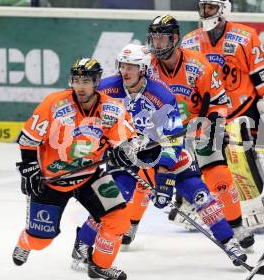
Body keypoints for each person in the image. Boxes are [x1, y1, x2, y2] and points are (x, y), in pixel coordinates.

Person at [70, 44, 248, 269]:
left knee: (198, 191)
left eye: (131, 67)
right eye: (123, 66)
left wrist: (164, 174)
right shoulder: (106, 89)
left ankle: (228, 241)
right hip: (125, 156)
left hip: (159, 151)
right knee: (113, 200)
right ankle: (83, 243)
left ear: (143, 69)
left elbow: (173, 138)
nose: (125, 71)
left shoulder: (162, 95)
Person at [12, 58, 151, 280]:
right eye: (76, 80)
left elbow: (128, 141)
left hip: (90, 175)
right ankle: (27, 242)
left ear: (97, 82)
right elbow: (28, 139)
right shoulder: (54, 104)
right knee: (41, 240)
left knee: (119, 221)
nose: (80, 86)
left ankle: (99, 265)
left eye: (86, 81)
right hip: (53, 179)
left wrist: (123, 152)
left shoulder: (112, 109)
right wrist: (29, 167)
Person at [147, 14, 258, 251]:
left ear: (174, 38)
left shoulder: (198, 65)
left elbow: (218, 101)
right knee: (141, 180)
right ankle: (129, 225)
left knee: (219, 173)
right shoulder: (146, 67)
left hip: (197, 129)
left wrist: (216, 126)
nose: (157, 44)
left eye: (162, 38)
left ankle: (236, 226)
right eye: (154, 38)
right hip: (162, 136)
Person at [181, 0, 264, 233]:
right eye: (203, 7)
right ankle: (203, 204)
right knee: (205, 160)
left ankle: (258, 206)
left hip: (241, 109)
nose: (206, 12)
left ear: (224, 10)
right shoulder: (190, 41)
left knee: (239, 156)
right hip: (210, 113)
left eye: (211, 8)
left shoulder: (245, 37)